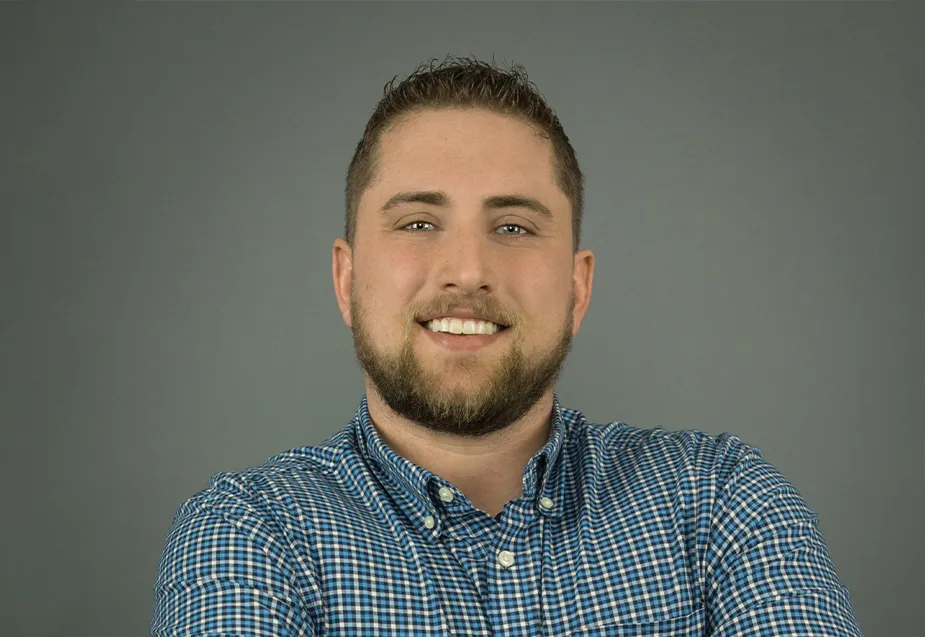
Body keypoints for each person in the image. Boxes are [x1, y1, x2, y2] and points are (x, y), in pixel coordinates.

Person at [152, 56, 862, 636]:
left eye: (515, 227)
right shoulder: (250, 532)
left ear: (577, 287)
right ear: (346, 277)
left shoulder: (719, 501)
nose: (468, 270)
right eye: (419, 222)